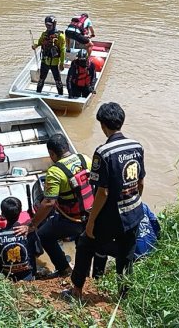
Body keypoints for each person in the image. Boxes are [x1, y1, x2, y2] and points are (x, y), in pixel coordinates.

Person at [63, 102, 145, 300]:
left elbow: (103, 192)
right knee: (126, 256)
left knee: (85, 243)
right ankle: (124, 297)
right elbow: (140, 182)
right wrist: (132, 202)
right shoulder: (137, 146)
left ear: (103, 125)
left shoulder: (104, 152)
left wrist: (91, 222)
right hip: (134, 211)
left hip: (112, 215)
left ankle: (76, 290)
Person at [27, 134, 93, 278]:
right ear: (68, 146)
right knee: (81, 242)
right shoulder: (85, 158)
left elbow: (48, 203)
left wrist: (32, 225)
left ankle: (64, 269)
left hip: (70, 219)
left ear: (51, 153)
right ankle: (85, 274)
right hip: (90, 216)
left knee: (44, 235)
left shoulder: (55, 172)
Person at [91, 202, 160, 278]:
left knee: (100, 244)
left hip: (136, 255)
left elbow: (108, 235)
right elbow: (155, 224)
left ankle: (97, 278)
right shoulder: (142, 205)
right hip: (153, 249)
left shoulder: (119, 212)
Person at [0, 197, 39, 281]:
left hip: (4, 277)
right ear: (20, 212)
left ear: (2, 214)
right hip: (28, 276)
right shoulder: (29, 232)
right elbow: (38, 252)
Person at [32, 15, 66, 96]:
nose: (48, 27)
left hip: (54, 63)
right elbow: (40, 42)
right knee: (41, 79)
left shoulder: (60, 36)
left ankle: (60, 95)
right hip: (44, 61)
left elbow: (62, 50)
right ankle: (37, 94)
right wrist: (36, 45)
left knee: (58, 81)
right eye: (46, 25)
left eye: (50, 25)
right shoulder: (44, 34)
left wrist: (61, 63)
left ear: (54, 24)